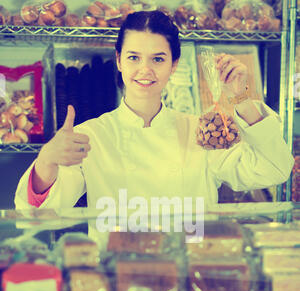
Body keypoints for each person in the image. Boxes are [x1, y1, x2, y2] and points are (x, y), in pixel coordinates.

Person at [15, 10, 294, 227]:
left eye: (158, 59)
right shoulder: (91, 135)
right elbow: (36, 214)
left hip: (187, 275)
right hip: (119, 276)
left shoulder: (200, 133)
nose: (144, 70)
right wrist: (47, 158)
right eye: (134, 57)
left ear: (173, 65)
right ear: (120, 60)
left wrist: (241, 98)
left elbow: (274, 170)